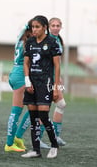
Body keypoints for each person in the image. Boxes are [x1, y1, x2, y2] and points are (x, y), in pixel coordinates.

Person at [21, 15, 61, 159]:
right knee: (33, 117)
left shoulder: (52, 42)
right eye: (33, 27)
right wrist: (27, 82)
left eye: (37, 27)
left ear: (45, 27)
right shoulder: (30, 42)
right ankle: (35, 150)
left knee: (43, 115)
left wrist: (56, 87)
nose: (34, 29)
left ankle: (54, 145)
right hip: (31, 83)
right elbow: (26, 63)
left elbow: (57, 66)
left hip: (45, 83)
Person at [4, 22, 32, 152]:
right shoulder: (29, 42)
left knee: (34, 108)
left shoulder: (21, 38)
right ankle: (10, 143)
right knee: (17, 111)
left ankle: (17, 138)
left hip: (15, 72)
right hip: (21, 74)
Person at [49, 17, 67, 146]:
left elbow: (57, 62)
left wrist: (59, 77)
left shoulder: (58, 40)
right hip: (47, 79)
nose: (55, 27)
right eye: (53, 25)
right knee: (42, 108)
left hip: (55, 78)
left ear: (61, 27)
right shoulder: (47, 40)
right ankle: (38, 139)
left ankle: (55, 136)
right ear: (49, 27)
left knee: (61, 104)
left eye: (57, 25)